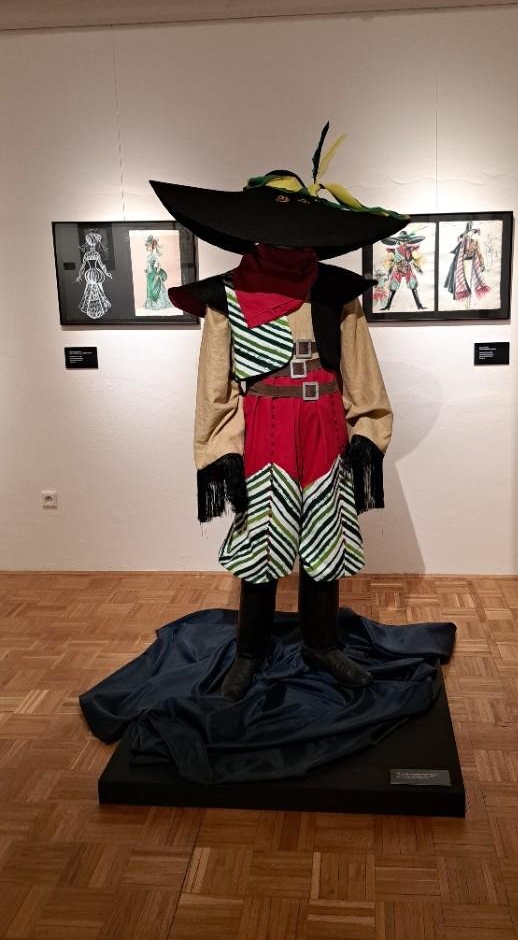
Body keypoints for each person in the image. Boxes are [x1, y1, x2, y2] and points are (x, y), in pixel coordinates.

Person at [151, 125, 409, 700]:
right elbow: (215, 385)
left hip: (325, 430)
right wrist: (221, 448)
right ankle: (250, 651)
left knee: (326, 541)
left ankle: (323, 644)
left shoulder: (335, 291)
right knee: (260, 545)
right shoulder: (228, 297)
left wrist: (367, 428)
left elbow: (361, 371)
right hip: (265, 431)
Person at [75, 230, 112, 319]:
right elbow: (102, 266)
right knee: (96, 289)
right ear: (95, 244)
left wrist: (79, 276)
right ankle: (96, 308)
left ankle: (93, 308)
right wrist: (106, 273)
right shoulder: (96, 254)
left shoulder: (87, 255)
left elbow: (82, 267)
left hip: (89, 274)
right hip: (95, 273)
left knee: (90, 289)